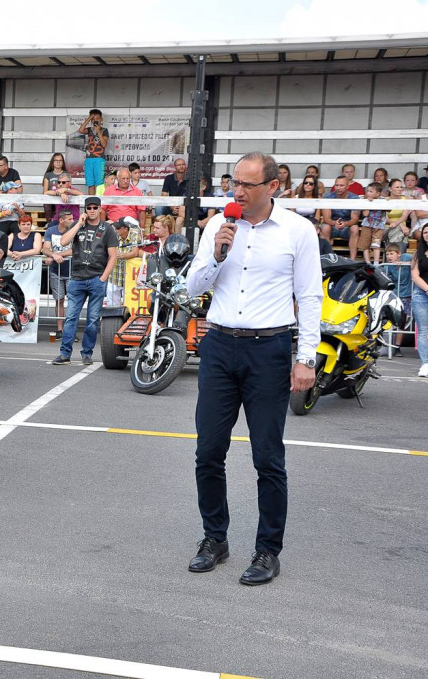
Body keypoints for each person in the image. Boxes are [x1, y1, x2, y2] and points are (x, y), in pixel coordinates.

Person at [185, 152, 322, 586]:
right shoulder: (216, 228)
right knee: (208, 451)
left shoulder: (298, 231)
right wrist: (218, 253)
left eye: (246, 185)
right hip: (220, 345)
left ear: (273, 186)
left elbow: (310, 297)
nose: (237, 192)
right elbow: (193, 287)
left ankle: (267, 551)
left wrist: (305, 357)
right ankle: (215, 539)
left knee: (267, 458)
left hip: (270, 348)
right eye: (233, 184)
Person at [50, 197, 118, 366]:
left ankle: (86, 353)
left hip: (96, 278)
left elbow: (113, 256)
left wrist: (103, 278)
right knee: (71, 318)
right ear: (85, 209)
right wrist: (79, 224)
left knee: (93, 320)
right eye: (89, 207)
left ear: (100, 209)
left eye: (95, 207)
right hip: (78, 278)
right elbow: (63, 242)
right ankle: (65, 354)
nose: (92, 210)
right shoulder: (77, 224)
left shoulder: (107, 229)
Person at [43, 209, 74, 337]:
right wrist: (53, 255)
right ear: (61, 220)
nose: (73, 221)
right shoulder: (51, 230)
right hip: (56, 271)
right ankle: (60, 329)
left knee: (73, 301)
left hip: (72, 270)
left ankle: (70, 329)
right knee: (59, 300)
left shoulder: (74, 230)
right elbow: (44, 248)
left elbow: (75, 249)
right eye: (70, 219)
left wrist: (56, 255)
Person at [381, 243, 412, 357]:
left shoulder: (407, 257)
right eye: (387, 254)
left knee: (402, 323)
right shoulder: (387, 265)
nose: (389, 257)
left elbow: (417, 258)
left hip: (406, 295)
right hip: (393, 296)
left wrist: (405, 264)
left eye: (392, 254)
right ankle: (387, 346)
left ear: (398, 254)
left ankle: (397, 347)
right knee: (389, 320)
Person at [317, 176, 360, 258]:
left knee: (355, 228)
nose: (338, 188)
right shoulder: (328, 197)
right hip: (332, 225)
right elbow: (326, 218)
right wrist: (334, 223)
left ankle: (352, 260)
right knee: (325, 227)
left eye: (341, 185)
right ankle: (325, 258)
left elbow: (355, 219)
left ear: (347, 186)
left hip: (347, 226)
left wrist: (345, 223)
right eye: (336, 185)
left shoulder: (355, 198)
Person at [407, 228, 428, 377]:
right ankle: (425, 363)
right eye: (425, 232)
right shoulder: (417, 254)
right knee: (424, 330)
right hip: (421, 294)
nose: (427, 234)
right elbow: (415, 276)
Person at [106, 217, 141, 306]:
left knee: (129, 306)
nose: (116, 230)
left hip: (129, 277)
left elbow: (135, 252)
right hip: (114, 275)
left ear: (125, 229)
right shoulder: (113, 234)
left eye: (118, 228)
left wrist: (121, 255)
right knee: (112, 306)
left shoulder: (135, 234)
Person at [77, 109, 109, 194]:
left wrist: (98, 131)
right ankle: (91, 204)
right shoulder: (89, 130)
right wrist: (89, 118)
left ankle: (99, 204)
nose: (95, 120)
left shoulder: (104, 130)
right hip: (89, 160)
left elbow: (104, 144)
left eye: (97, 118)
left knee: (100, 184)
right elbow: (80, 130)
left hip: (99, 160)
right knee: (90, 184)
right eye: (93, 119)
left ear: (101, 119)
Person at [359, 183, 387, 264]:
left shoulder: (383, 200)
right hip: (367, 225)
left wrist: (387, 199)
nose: (368, 193)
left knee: (376, 245)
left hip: (379, 226)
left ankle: (376, 263)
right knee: (365, 245)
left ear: (378, 193)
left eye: (371, 191)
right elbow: (365, 214)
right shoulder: (365, 200)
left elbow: (389, 209)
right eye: (367, 191)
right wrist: (367, 203)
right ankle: (368, 263)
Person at [382, 178, 412, 248]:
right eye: (397, 187)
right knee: (396, 230)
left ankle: (392, 254)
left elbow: (405, 216)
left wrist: (397, 224)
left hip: (402, 230)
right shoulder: (386, 200)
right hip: (387, 228)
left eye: (401, 187)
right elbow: (386, 218)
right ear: (390, 189)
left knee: (397, 232)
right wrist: (400, 225)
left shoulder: (405, 199)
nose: (400, 189)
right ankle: (395, 255)